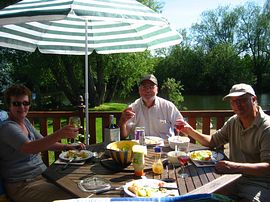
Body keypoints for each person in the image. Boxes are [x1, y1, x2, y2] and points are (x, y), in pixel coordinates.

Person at [177, 83, 270, 201]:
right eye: (233, 101)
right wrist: (190, 131)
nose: (237, 105)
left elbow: (268, 167)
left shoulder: (267, 127)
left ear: (254, 99)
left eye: (242, 100)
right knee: (199, 196)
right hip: (232, 178)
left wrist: (235, 166)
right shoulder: (233, 122)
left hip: (259, 183)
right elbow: (212, 141)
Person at [0, 84, 85, 202]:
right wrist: (60, 134)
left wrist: (67, 146)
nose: (22, 107)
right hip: (22, 185)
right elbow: (29, 147)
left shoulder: (25, 122)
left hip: (43, 176)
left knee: (81, 184)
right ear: (9, 105)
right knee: (74, 196)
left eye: (25, 103)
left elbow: (44, 142)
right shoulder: (8, 128)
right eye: (16, 103)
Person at [119, 74, 183, 139]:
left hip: (165, 147)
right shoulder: (132, 108)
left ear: (157, 90)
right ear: (139, 90)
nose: (148, 90)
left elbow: (182, 127)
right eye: (144, 87)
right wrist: (122, 122)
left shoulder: (168, 106)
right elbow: (124, 135)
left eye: (151, 87)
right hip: (140, 147)